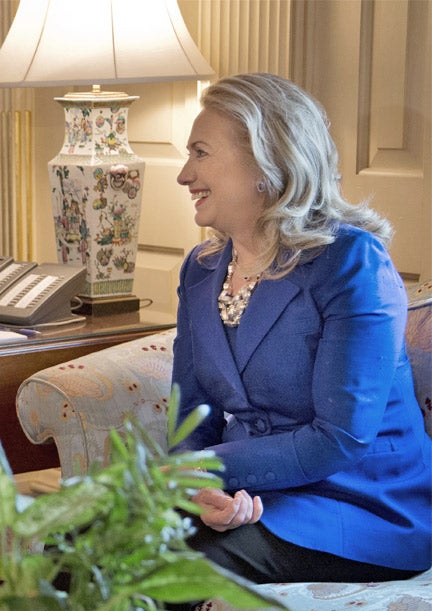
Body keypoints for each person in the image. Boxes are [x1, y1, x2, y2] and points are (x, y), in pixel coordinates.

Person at [172, 72, 431, 584]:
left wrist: (209, 470)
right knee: (79, 538)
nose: (184, 174)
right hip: (251, 490)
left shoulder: (352, 263)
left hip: (358, 502)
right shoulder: (200, 271)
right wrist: (196, 489)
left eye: (200, 153)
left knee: (167, 568)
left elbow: (339, 438)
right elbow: (191, 419)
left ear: (265, 161)